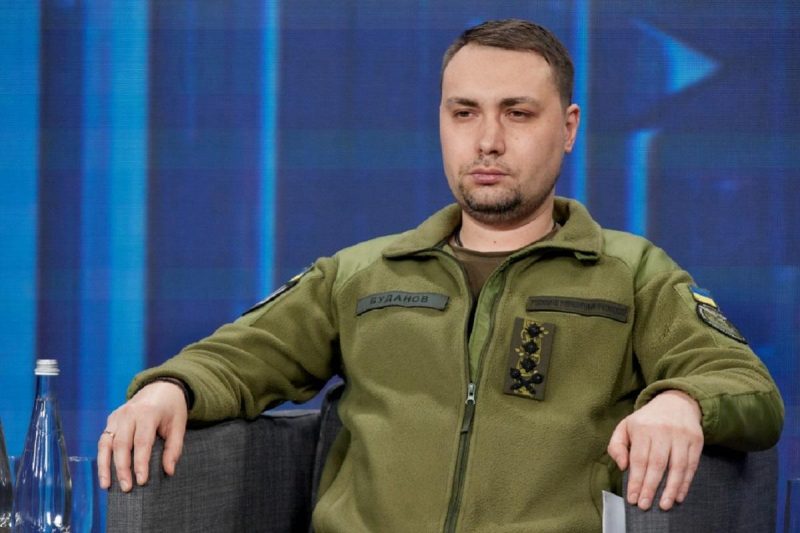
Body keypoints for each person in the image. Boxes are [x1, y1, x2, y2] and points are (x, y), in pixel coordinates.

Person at [97, 18, 783, 532]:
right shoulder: (362, 273)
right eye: (465, 113)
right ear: (442, 122)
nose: (487, 141)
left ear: (568, 127)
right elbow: (238, 356)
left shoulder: (630, 273)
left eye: (517, 113)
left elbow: (746, 386)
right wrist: (168, 388)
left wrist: (682, 400)